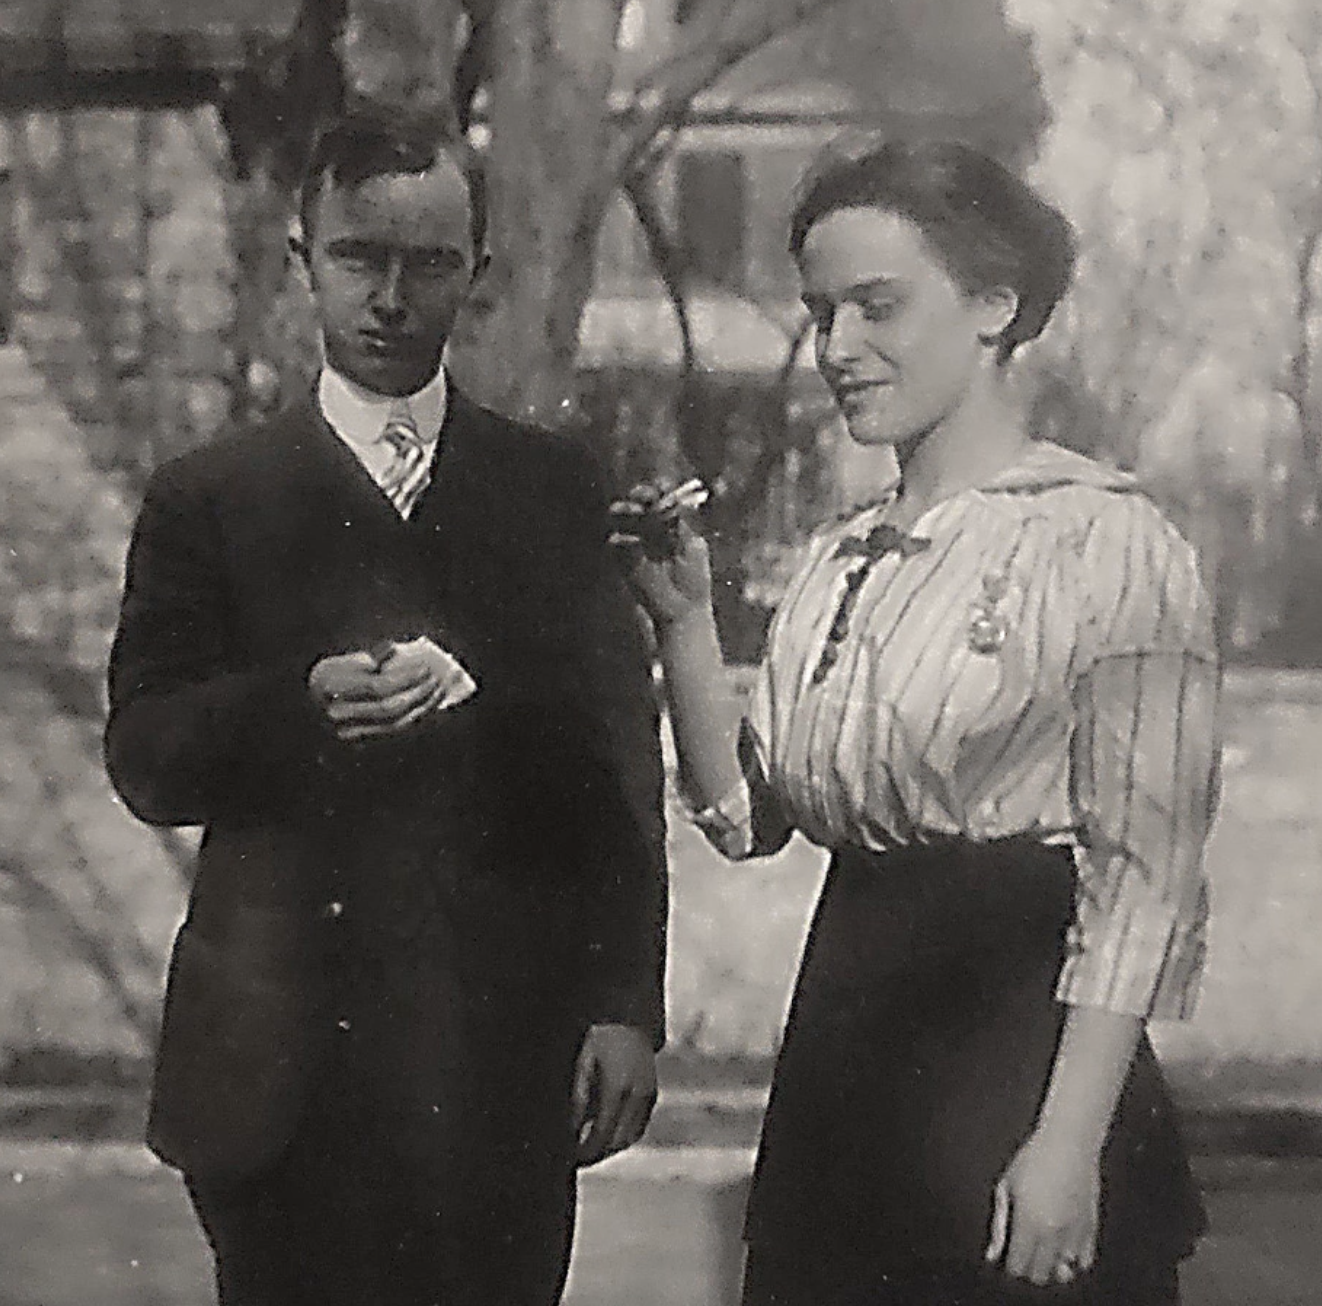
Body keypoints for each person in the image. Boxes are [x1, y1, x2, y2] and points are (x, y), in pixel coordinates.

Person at [612, 137, 1219, 1306]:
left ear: (994, 302)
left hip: (1019, 1065)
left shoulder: (1104, 545)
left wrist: (1064, 1146)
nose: (837, 349)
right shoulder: (843, 558)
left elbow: (1141, 882)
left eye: (877, 306)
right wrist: (684, 627)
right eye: (821, 312)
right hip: (844, 1067)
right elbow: (749, 820)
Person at [105, 115, 667, 1306]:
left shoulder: (549, 490)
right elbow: (147, 752)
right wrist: (292, 706)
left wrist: (625, 1005)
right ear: (302, 257)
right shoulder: (211, 497)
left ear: (478, 272)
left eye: (428, 264)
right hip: (277, 1074)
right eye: (359, 257)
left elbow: (618, 765)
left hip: (495, 1066)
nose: (390, 297)